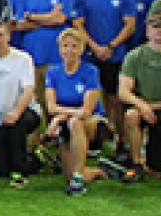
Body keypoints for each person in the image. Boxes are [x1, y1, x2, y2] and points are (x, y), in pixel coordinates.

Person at [70, 0, 136, 134]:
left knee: (114, 97)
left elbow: (129, 25)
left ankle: (119, 136)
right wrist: (94, 47)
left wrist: (111, 46)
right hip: (89, 56)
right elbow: (78, 24)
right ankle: (93, 134)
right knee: (88, 95)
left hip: (115, 55)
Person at [0, 19, 40, 188]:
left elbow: (29, 90)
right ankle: (34, 160)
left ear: (8, 36)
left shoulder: (23, 59)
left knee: (16, 126)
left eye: (0, 35)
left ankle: (20, 174)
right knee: (2, 169)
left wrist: (16, 112)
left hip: (27, 112)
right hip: (0, 118)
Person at [118, 13, 161, 177]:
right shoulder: (135, 56)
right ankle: (136, 162)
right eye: (155, 27)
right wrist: (142, 106)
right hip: (141, 108)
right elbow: (123, 92)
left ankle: (156, 161)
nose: (159, 31)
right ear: (148, 31)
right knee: (131, 115)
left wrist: (155, 106)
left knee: (156, 172)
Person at [44, 28, 108, 196]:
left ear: (81, 49)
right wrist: (60, 117)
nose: (69, 50)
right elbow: (51, 107)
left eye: (74, 46)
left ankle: (78, 179)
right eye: (65, 46)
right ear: (60, 49)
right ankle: (98, 171)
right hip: (66, 124)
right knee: (68, 176)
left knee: (76, 122)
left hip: (93, 122)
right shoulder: (53, 72)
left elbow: (87, 110)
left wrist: (59, 117)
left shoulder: (90, 71)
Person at [16, 0, 73, 113]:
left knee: (57, 102)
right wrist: (48, 18)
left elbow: (60, 19)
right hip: (32, 56)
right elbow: (20, 25)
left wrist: (32, 16)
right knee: (36, 102)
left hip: (55, 56)